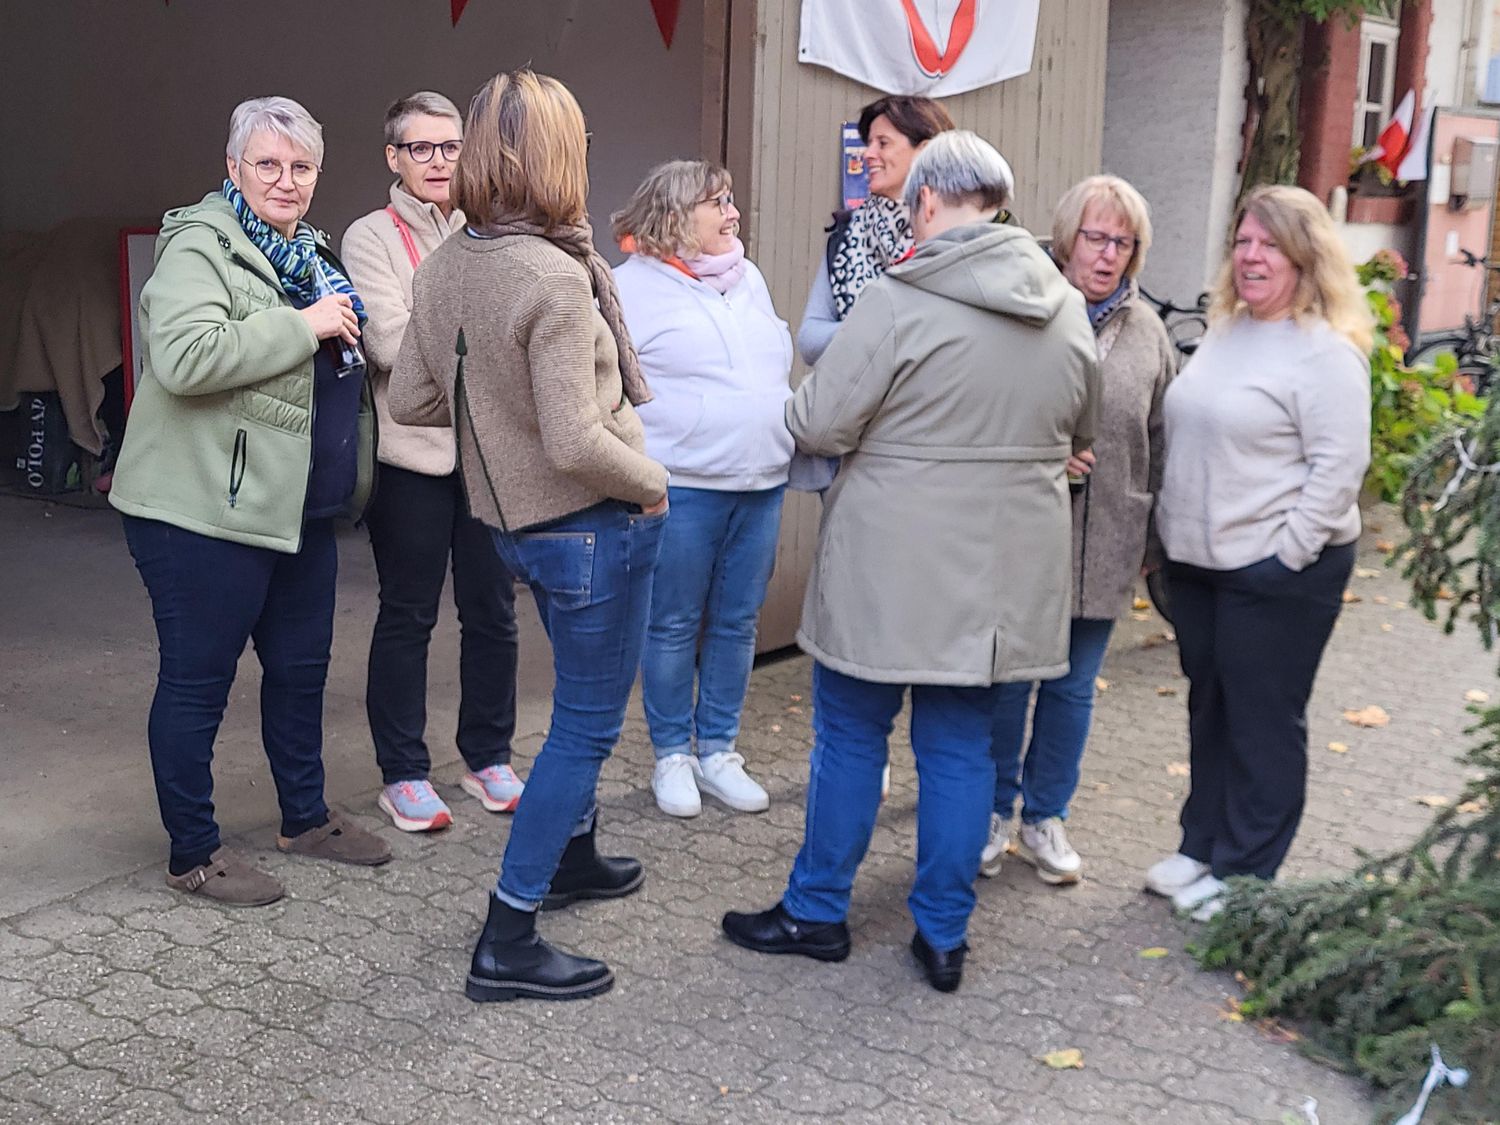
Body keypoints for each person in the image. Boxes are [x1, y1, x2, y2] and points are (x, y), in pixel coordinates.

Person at [722, 132, 1099, 993]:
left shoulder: (899, 299)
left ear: (925, 200)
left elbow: (817, 421)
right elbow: (1082, 431)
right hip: (1003, 574)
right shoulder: (1065, 305)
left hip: (887, 566)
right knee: (962, 748)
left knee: (852, 734)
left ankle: (818, 911)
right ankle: (944, 933)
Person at [391, 69, 669, 1003]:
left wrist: (493, 400)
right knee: (585, 728)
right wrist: (656, 486)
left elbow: (413, 397)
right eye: (577, 143)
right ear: (555, 158)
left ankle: (572, 858)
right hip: (589, 529)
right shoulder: (551, 273)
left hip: (511, 527)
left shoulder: (447, 263)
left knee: (575, 719)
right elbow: (577, 441)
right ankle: (508, 936)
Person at [109, 96, 389, 906]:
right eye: (267, 163)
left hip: (296, 508)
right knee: (197, 682)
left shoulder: (311, 254)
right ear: (233, 168)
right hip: (201, 510)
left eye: (301, 166)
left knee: (301, 672)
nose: (285, 180)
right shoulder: (200, 247)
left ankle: (305, 818)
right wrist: (305, 326)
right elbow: (186, 357)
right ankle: (193, 853)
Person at [1146, 184, 1372, 920]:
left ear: (1305, 258)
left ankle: (1246, 874)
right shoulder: (1227, 329)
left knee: (1263, 721)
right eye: (1243, 241)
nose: (1251, 256)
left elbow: (1339, 469)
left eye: (1270, 244)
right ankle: (1202, 844)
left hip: (1277, 572)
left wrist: (1289, 555)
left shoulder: (1325, 353)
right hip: (1201, 565)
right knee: (1211, 707)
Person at [981, 175, 1177, 887]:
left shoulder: (1149, 332)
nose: (1108, 254)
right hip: (1024, 537)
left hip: (1108, 540)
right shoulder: (1023, 311)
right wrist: (1045, 452)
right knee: (1009, 685)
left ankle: (1045, 817)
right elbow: (983, 413)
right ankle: (992, 812)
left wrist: (1154, 548)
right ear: (1067, 240)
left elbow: (1161, 437)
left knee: (1072, 689)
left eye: (1123, 242)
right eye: (1096, 237)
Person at [342, 92, 523, 833]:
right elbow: (388, 344)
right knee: (408, 614)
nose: (440, 161)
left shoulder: (493, 227)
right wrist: (478, 342)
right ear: (395, 158)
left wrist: (453, 336)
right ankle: (404, 773)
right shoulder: (369, 237)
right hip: (410, 458)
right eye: (422, 148)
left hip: (488, 457)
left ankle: (489, 756)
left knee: (494, 610)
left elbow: (523, 334)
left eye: (451, 147)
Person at [612, 161, 794, 819]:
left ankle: (718, 750)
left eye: (731, 199)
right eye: (717, 202)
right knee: (672, 623)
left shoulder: (749, 279)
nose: (733, 212)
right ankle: (672, 755)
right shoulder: (629, 287)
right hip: (681, 488)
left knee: (738, 621)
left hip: (762, 482)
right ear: (673, 215)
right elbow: (609, 392)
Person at [797, 95, 955, 366]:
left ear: (924, 151)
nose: (868, 154)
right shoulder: (848, 235)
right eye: (868, 143)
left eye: (883, 143)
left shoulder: (957, 235)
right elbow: (810, 340)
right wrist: (876, 326)